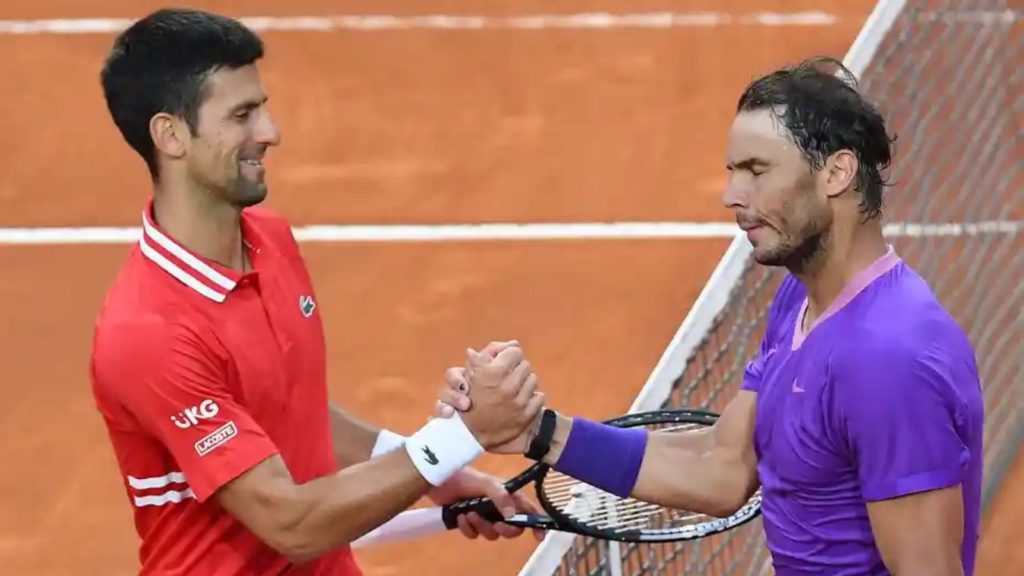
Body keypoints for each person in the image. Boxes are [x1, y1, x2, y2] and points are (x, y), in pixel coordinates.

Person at [438, 57, 985, 576]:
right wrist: (536, 431)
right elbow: (722, 467)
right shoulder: (803, 302)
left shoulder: (886, 359)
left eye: (756, 171)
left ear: (836, 172)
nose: (730, 195)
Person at [89, 8, 545, 576]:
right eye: (242, 115)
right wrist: (452, 443)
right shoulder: (149, 334)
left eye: (263, 108)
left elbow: (285, 407)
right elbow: (292, 524)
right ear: (172, 136)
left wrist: (441, 477)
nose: (270, 132)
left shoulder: (270, 241)